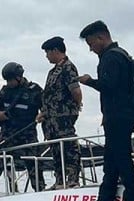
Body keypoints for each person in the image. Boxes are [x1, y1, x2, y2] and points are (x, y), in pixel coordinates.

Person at [78, 20, 134, 201]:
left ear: (101, 37)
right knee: (111, 159)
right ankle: (105, 199)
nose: (90, 49)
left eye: (91, 43)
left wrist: (89, 82)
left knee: (121, 158)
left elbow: (110, 86)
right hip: (122, 114)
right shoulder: (121, 55)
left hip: (119, 115)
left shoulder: (111, 57)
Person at [0, 62, 45, 193]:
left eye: (10, 80)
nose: (9, 83)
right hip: (7, 134)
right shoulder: (5, 91)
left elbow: (46, 107)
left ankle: (40, 191)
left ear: (18, 77)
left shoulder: (34, 90)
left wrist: (42, 115)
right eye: (7, 80)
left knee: (34, 164)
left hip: (27, 134)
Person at [37, 36, 83, 189]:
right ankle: (59, 180)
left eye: (47, 52)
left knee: (69, 147)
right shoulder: (52, 72)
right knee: (56, 149)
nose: (46, 56)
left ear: (55, 50)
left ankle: (72, 179)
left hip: (63, 116)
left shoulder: (68, 67)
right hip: (51, 119)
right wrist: (44, 112)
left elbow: (76, 91)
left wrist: (74, 107)